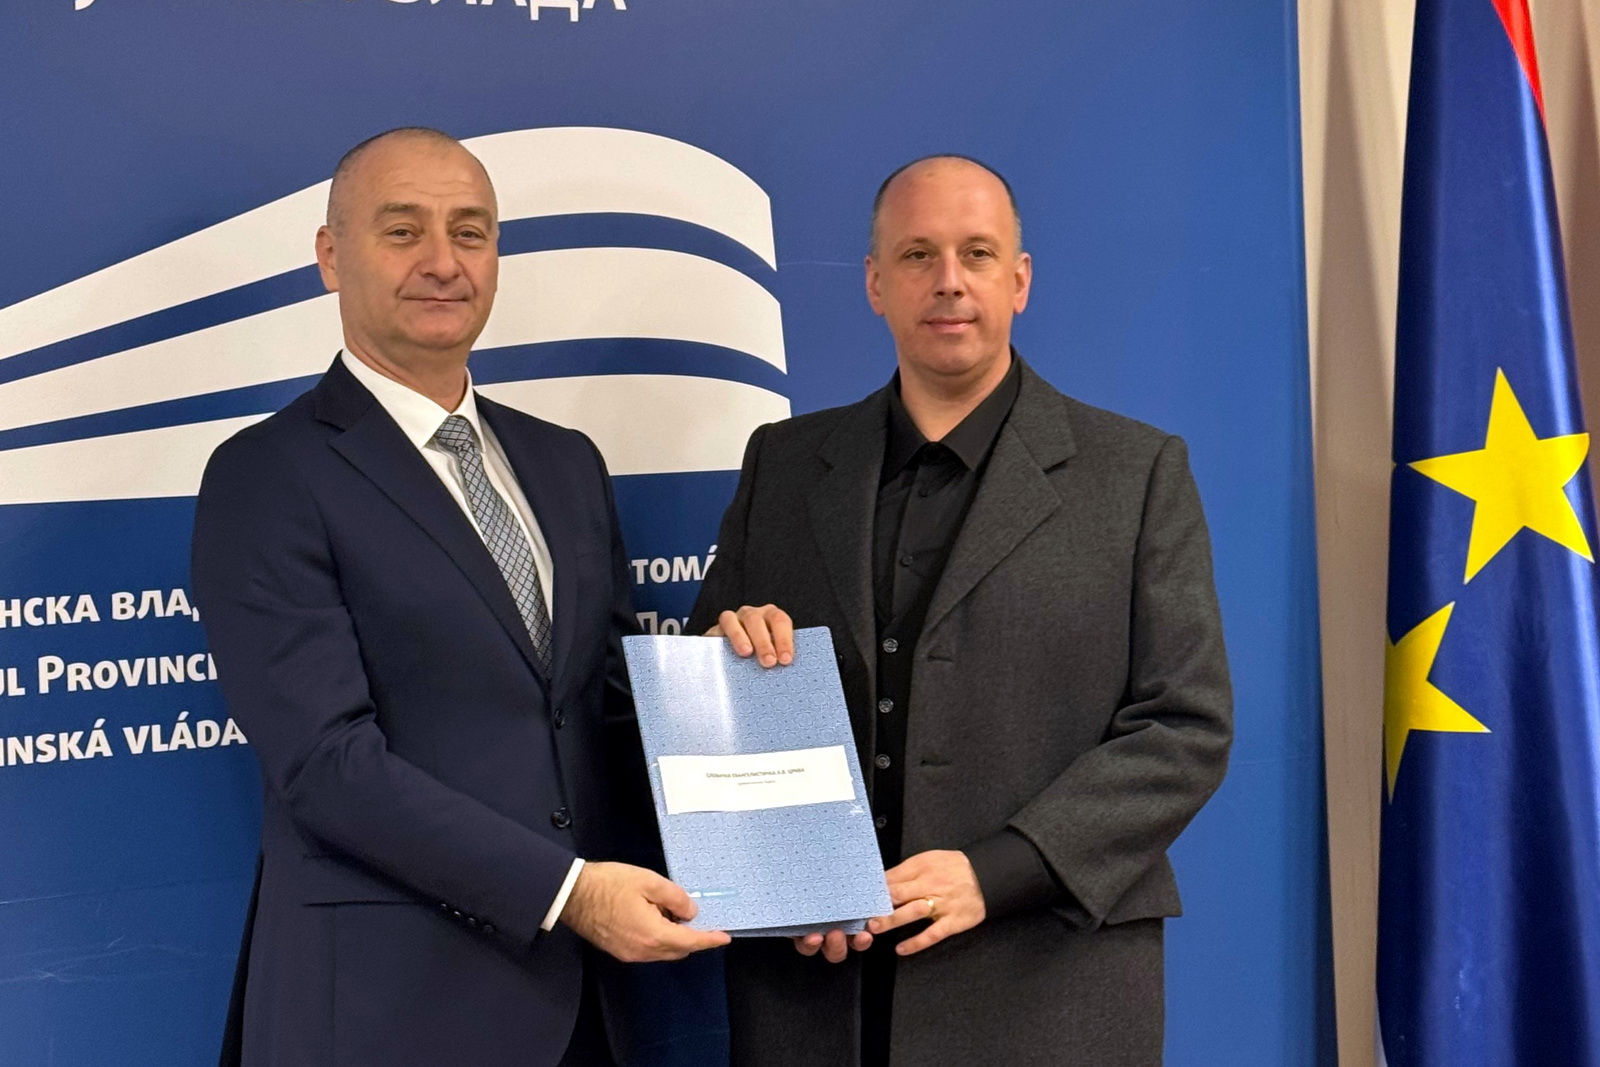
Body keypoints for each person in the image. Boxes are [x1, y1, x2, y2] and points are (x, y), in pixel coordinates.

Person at [191, 127, 727, 1067]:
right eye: (403, 231)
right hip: (388, 1012)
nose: (443, 262)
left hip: (584, 1009)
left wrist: (730, 686)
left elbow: (603, 709)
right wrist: (569, 893)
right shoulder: (266, 475)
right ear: (331, 257)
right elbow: (327, 765)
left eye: (470, 232)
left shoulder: (565, 462)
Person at [689, 155, 1233, 1067]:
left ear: (1019, 280)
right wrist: (780, 873)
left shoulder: (1136, 473)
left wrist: (1000, 869)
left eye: (977, 253)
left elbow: (1185, 727)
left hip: (1047, 985)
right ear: (875, 284)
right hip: (814, 999)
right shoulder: (782, 464)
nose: (948, 280)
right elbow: (715, 694)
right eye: (917, 255)